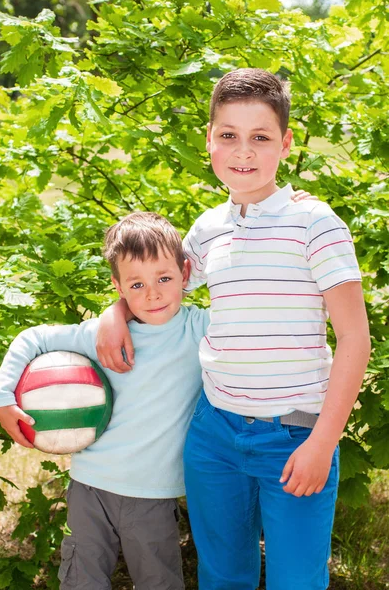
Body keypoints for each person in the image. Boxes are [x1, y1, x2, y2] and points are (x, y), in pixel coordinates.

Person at [96, 69, 371, 590]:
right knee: (223, 577)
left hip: (295, 437)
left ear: (285, 144)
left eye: (260, 137)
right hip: (214, 434)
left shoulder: (316, 225)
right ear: (210, 141)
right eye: (228, 135)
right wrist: (115, 312)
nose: (243, 151)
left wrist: (322, 442)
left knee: (297, 581)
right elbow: (157, 292)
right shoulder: (206, 229)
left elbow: (356, 341)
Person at [0, 212, 210, 590]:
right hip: (89, 486)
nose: (153, 293)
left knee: (159, 581)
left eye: (164, 278)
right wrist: (1, 396)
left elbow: (250, 310)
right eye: (136, 284)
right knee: (81, 579)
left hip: (153, 494)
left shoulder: (198, 329)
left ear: (185, 274)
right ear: (118, 285)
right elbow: (32, 340)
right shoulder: (102, 334)